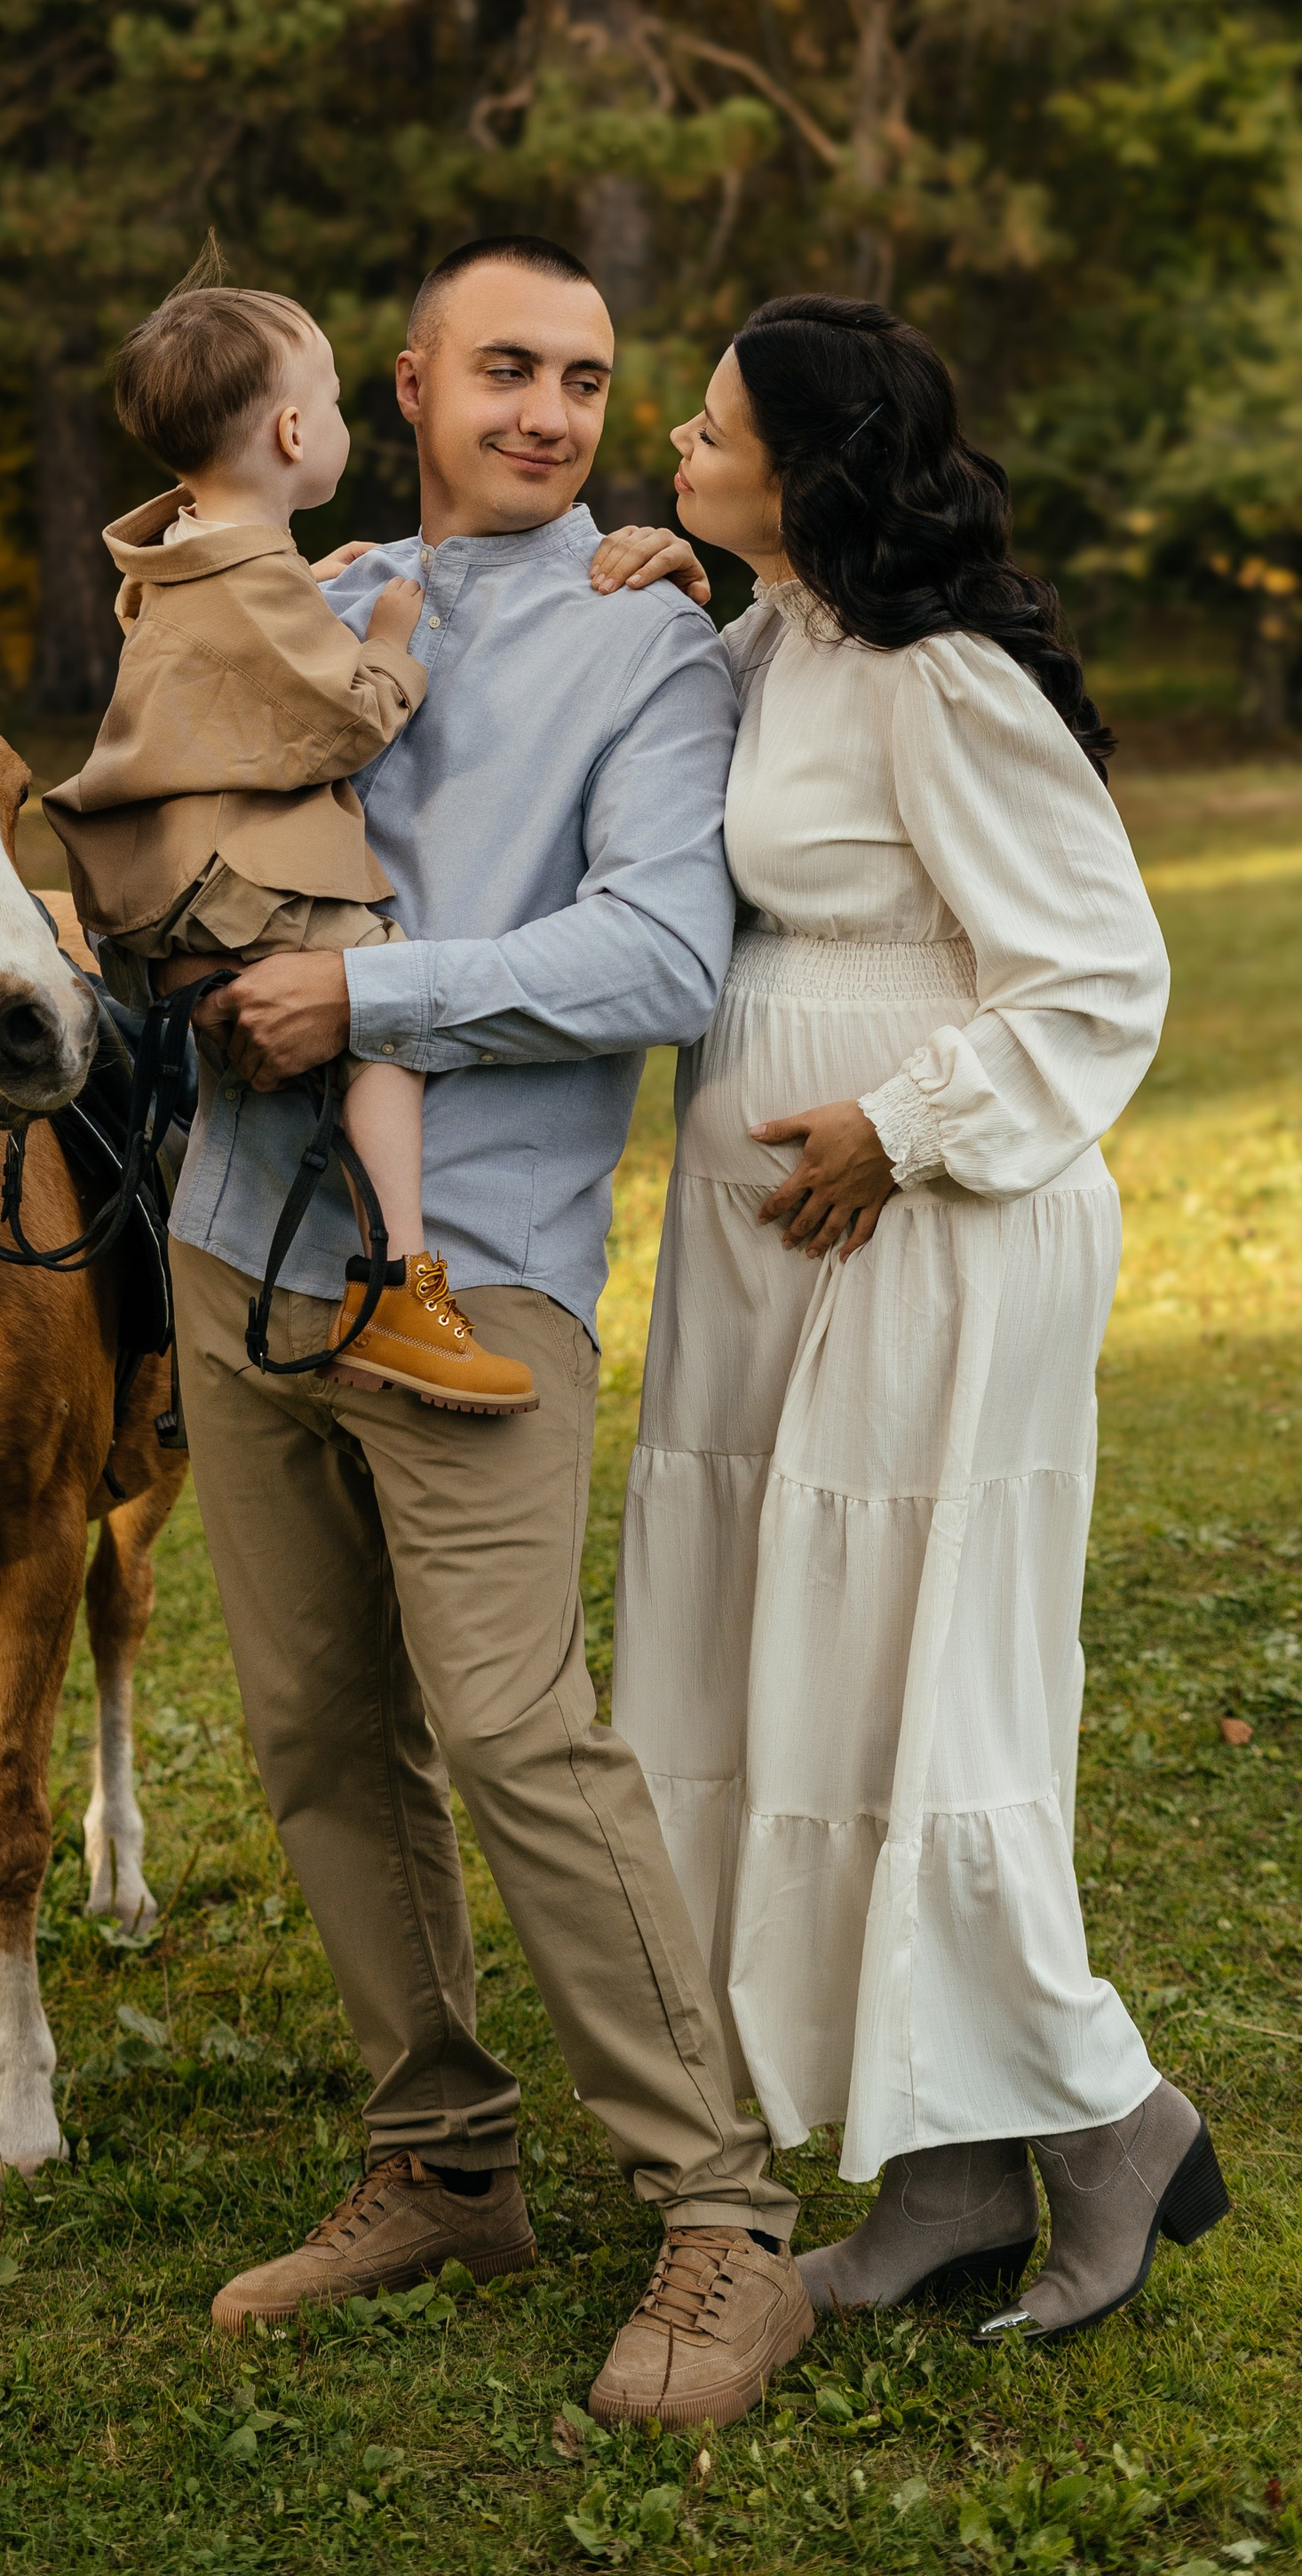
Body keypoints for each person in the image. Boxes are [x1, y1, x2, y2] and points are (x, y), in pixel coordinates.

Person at [166, 234, 816, 2429]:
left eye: (588, 380)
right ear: (408, 383)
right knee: (316, 1734)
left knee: (520, 1734)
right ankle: (437, 2161)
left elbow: (653, 954)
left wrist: (363, 997)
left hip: (481, 1276)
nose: (548, 410)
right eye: (506, 371)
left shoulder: (653, 651)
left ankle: (721, 2220)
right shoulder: (308, 589)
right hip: (230, 1240)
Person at [614, 292, 1231, 2342]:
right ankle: (945, 2170)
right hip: (782, 1261)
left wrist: (895, 1123)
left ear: (801, 472)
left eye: (703, 436)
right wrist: (637, 580)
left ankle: (1110, 2118)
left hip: (937, 1235)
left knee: (919, 1691)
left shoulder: (942, 679)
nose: (670, 450)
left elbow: (1091, 974)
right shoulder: (776, 639)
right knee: (817, 1699)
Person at [44, 258, 537, 1411]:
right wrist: (399, 637)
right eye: (339, 404)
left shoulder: (189, 551)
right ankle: (399, 1289)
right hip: (243, 881)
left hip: (164, 886)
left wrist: (304, 585)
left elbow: (222, 643)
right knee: (383, 1018)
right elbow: (344, 723)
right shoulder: (258, 580)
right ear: (295, 428)